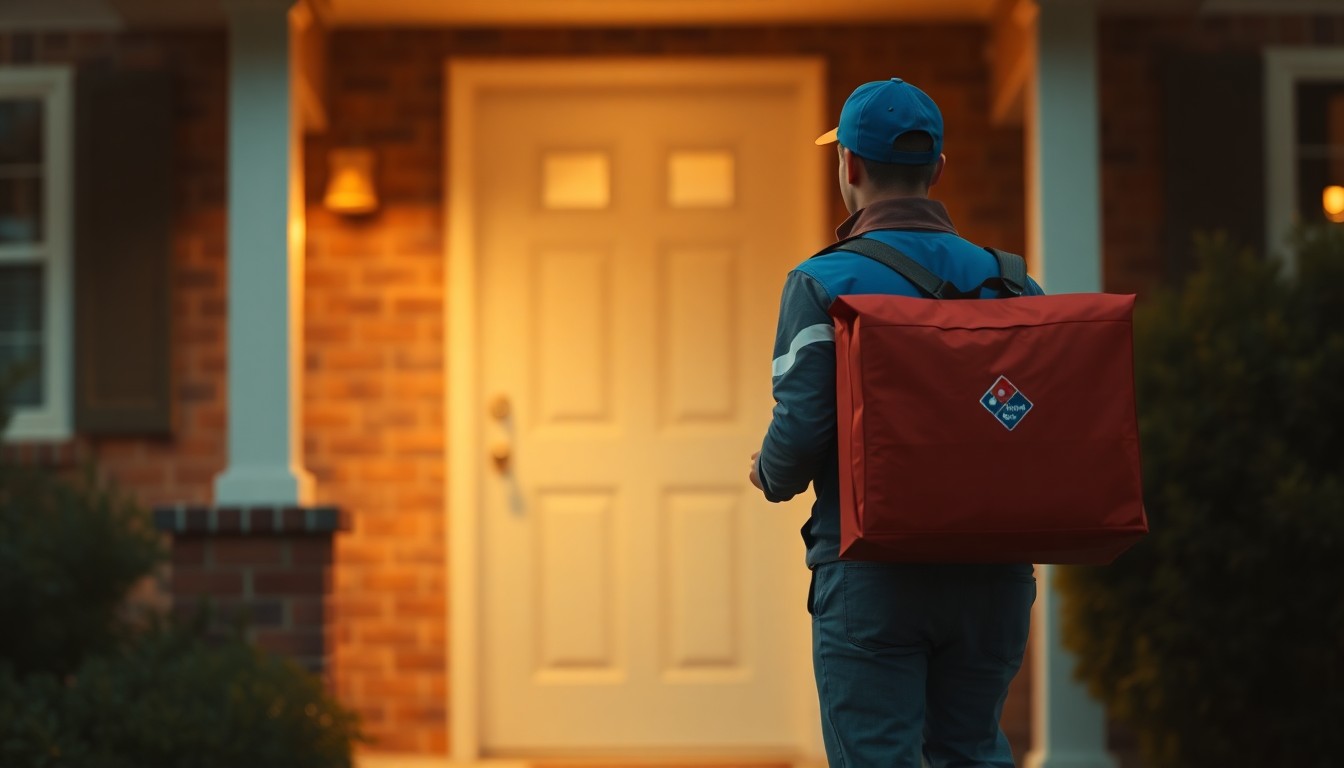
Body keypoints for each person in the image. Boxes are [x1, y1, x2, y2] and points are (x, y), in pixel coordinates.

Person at [749, 78, 1041, 768]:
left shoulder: (824, 282)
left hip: (872, 572)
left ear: (848, 167)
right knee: (971, 750)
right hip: (992, 574)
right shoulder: (1009, 283)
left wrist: (767, 472)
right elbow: (1035, 419)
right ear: (937, 169)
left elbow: (800, 436)